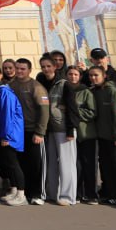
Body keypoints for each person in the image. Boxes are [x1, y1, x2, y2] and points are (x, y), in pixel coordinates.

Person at [88, 65, 116, 208]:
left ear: (104, 76)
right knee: (107, 167)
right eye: (91, 75)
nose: (93, 78)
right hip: (103, 136)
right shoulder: (93, 92)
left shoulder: (112, 92)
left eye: (96, 75)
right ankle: (111, 194)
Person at [10, 58, 49, 205]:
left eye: (22, 69)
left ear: (29, 70)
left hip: (33, 131)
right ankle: (24, 192)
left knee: (35, 164)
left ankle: (37, 194)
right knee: (21, 163)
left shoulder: (36, 87)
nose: (19, 71)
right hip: (17, 132)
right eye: (17, 68)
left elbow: (44, 110)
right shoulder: (11, 85)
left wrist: (40, 132)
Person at [39, 56, 78, 206]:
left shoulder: (64, 84)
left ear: (55, 67)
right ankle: (52, 193)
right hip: (48, 129)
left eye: (48, 66)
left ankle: (68, 196)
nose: (46, 69)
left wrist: (71, 129)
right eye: (43, 66)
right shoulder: (41, 82)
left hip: (63, 128)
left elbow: (72, 108)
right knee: (51, 164)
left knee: (66, 164)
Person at [0, 77, 27, 206]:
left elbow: (8, 116)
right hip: (1, 134)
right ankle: (14, 189)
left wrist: (6, 136)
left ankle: (21, 194)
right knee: (7, 164)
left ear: (0, 75)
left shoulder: (5, 92)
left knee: (13, 164)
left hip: (10, 135)